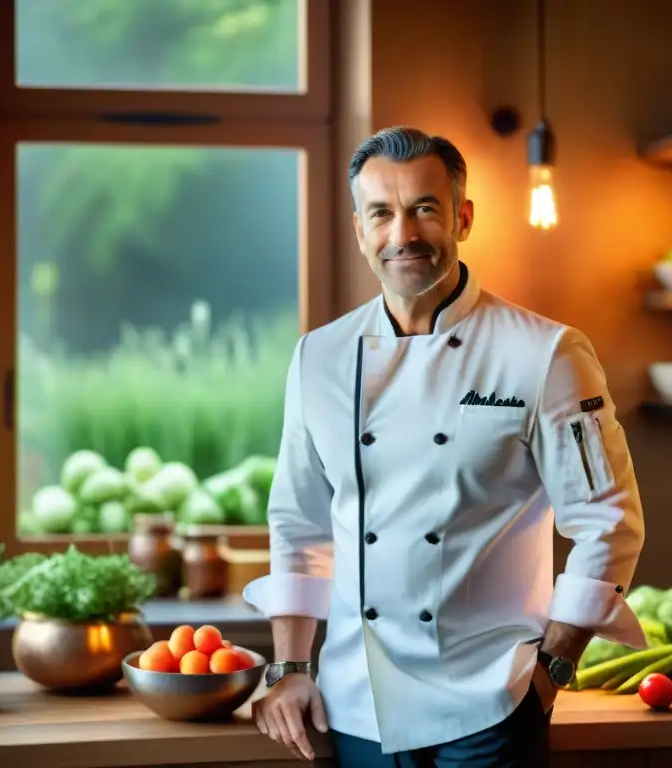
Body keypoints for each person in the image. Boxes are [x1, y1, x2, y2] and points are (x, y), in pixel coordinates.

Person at [244, 126, 647, 767]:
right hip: (357, 703)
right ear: (359, 229)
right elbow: (300, 522)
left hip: (491, 703)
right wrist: (291, 664)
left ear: (462, 217)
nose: (402, 234)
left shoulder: (546, 352)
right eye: (381, 213)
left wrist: (552, 670)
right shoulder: (317, 357)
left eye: (424, 209)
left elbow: (607, 522)